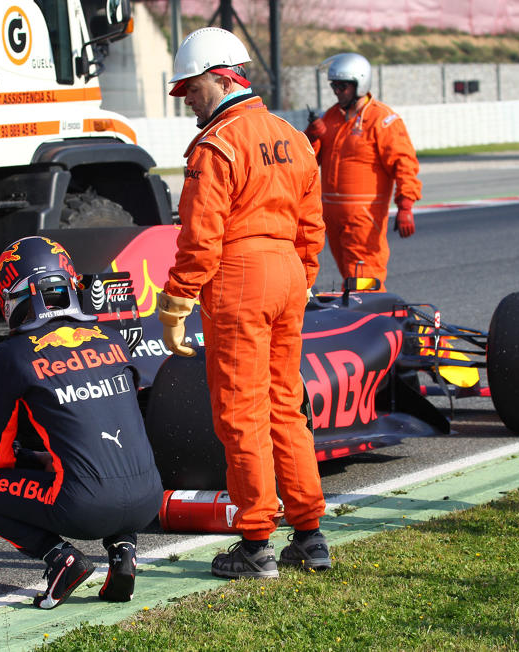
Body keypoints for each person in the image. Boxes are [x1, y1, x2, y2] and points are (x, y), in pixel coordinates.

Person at [160, 27, 330, 579]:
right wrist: (302, 275)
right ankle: (309, 535)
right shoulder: (292, 135)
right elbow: (311, 223)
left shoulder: (217, 144)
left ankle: (256, 543)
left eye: (190, 89)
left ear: (220, 77)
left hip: (239, 275)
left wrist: (176, 301)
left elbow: (201, 236)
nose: (187, 99)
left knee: (241, 413)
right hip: (286, 272)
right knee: (286, 405)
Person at [0, 236, 163, 608]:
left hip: (84, 507)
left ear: (12, 296)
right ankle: (122, 550)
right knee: (103, 462)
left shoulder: (8, 356)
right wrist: (46, 460)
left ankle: (60, 558)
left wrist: (27, 463)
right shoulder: (113, 339)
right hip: (150, 499)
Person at [305, 52, 422, 287]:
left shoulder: (382, 120)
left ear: (360, 84)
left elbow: (405, 164)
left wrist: (405, 205)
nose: (337, 91)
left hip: (364, 218)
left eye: (342, 86)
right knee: (350, 281)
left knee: (364, 279)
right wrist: (313, 137)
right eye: (334, 85)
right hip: (332, 217)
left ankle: (375, 318)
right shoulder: (330, 117)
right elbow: (309, 161)